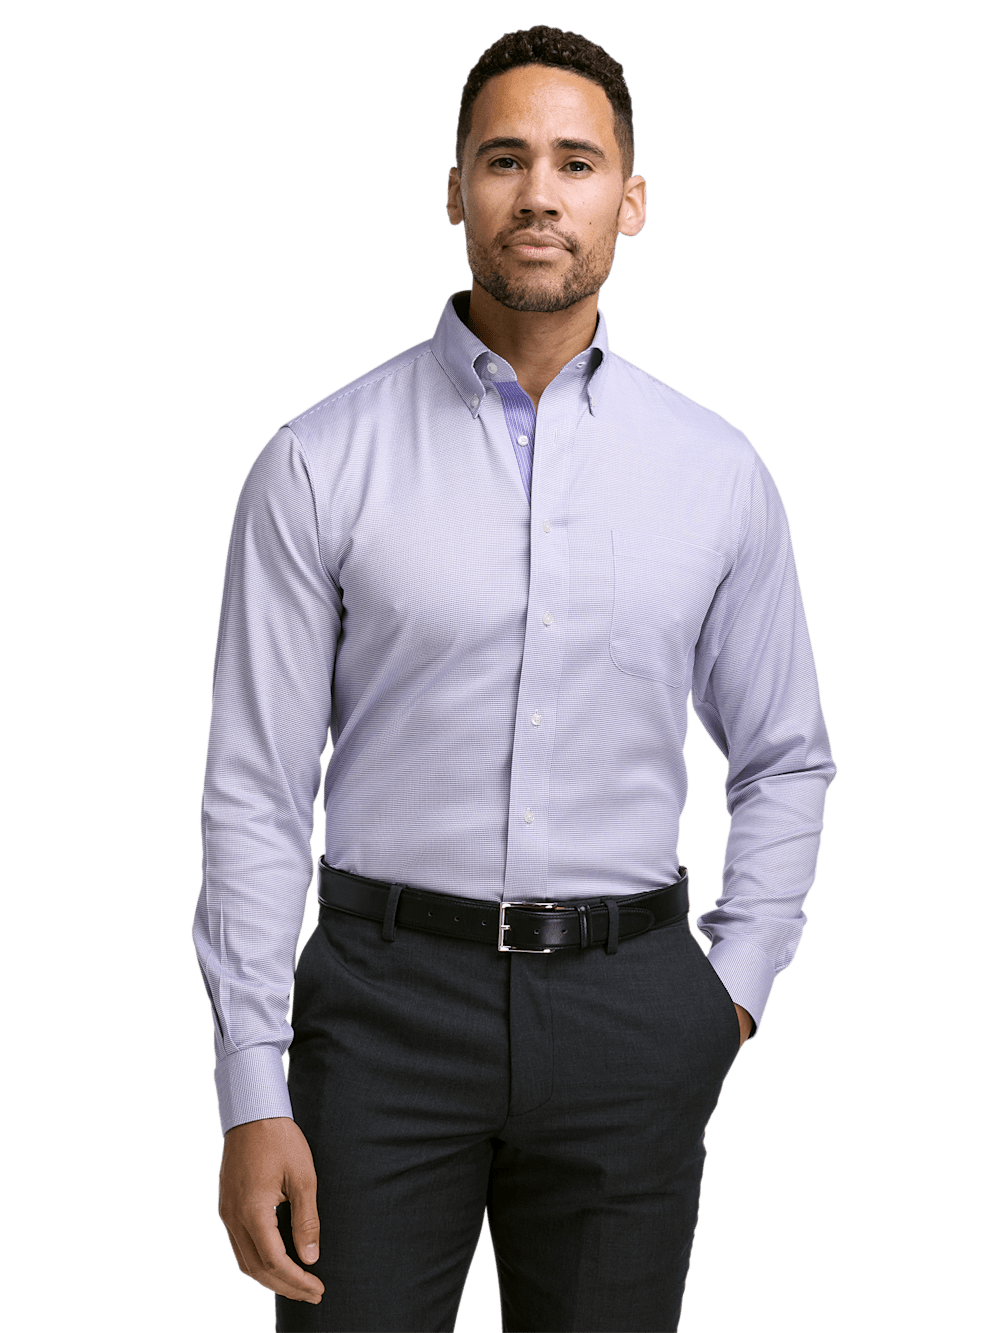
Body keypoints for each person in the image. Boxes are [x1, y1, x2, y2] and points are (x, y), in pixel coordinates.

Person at [192, 23, 836, 1333]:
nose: (539, 193)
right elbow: (256, 792)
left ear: (629, 201)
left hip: (632, 1014)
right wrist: (253, 1085)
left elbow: (785, 758)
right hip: (381, 1019)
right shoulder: (318, 461)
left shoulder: (717, 473)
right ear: (455, 191)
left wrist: (730, 994)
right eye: (504, 160)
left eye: (576, 163)